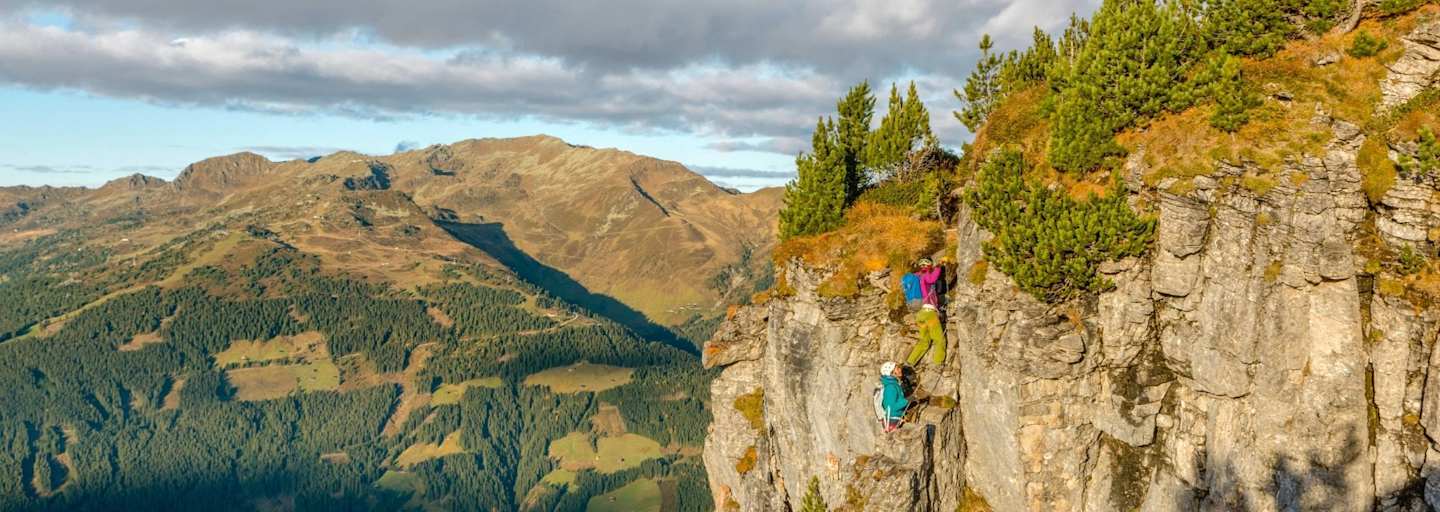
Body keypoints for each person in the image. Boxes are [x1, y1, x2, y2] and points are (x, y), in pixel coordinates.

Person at [877, 361, 908, 432]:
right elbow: (891, 408)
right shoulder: (890, 387)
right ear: (890, 372)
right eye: (897, 368)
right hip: (892, 420)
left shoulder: (894, 385)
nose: (900, 370)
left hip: (894, 419)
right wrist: (907, 400)